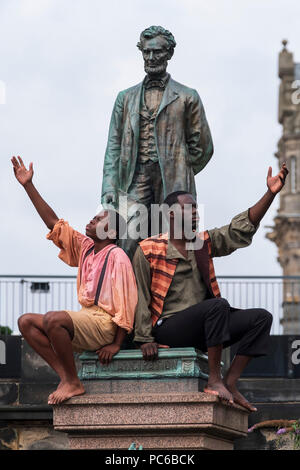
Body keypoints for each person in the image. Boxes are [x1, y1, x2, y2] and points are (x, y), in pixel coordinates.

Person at [133, 163, 289, 412]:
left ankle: (230, 381)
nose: (196, 213)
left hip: (206, 326)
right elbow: (139, 296)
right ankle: (213, 380)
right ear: (171, 214)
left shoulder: (202, 242)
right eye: (190, 209)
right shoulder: (149, 248)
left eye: (196, 209)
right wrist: (144, 338)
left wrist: (270, 194)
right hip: (168, 328)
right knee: (218, 306)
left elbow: (238, 230)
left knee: (261, 318)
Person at [11, 156, 137, 405]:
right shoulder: (87, 247)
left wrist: (116, 344)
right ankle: (68, 378)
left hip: (103, 324)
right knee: (26, 322)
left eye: (100, 219)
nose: (93, 219)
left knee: (53, 318)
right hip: (84, 319)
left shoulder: (117, 256)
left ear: (111, 233)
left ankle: (72, 381)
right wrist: (28, 185)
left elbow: (127, 304)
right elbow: (53, 223)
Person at [101, 25, 213, 259]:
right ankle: (128, 291)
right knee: (128, 240)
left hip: (173, 180)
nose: (151, 58)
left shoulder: (187, 96)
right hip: (134, 178)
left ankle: (174, 293)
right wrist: (109, 187)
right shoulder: (125, 98)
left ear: (169, 54)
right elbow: (113, 146)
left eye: (158, 52)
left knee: (174, 243)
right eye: (146, 52)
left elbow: (203, 147)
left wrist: (180, 165)